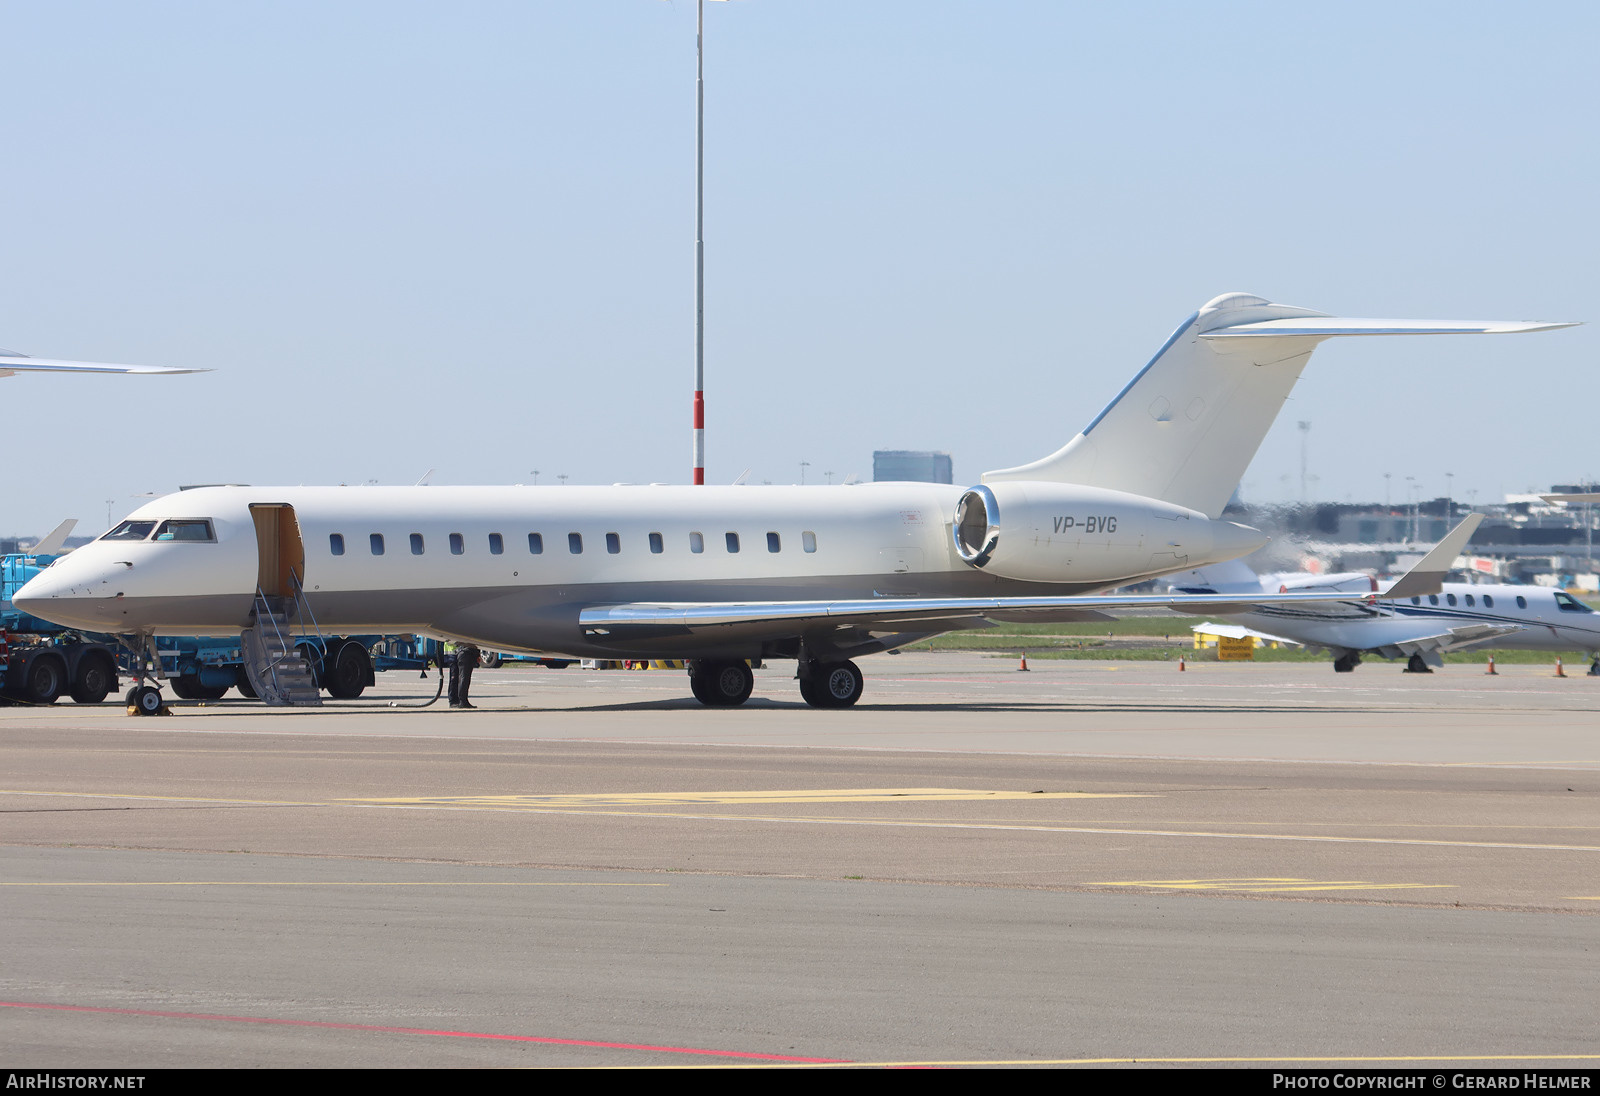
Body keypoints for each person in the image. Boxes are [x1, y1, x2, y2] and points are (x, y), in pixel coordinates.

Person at [448, 643, 480, 708]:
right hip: (454, 654)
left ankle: (459, 700)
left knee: (460, 678)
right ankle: (455, 700)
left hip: (459, 652)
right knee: (456, 678)